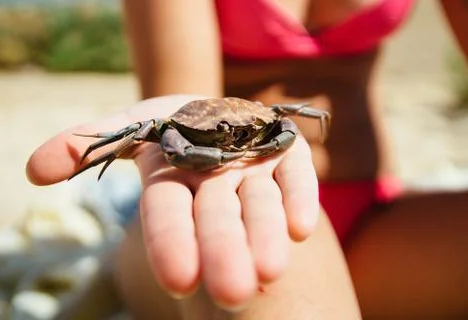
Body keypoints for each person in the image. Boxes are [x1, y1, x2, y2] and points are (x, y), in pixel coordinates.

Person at [26, 0, 468, 319]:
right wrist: (185, 141)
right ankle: (125, 262)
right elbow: (172, 127)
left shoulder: (279, 125)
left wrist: (261, 137)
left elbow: (291, 124)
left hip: (376, 220)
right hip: (227, 205)